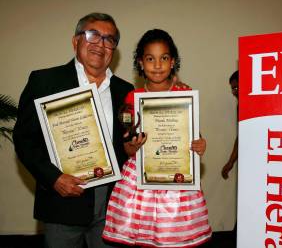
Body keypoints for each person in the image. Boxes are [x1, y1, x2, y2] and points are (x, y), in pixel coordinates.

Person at [13, 13, 135, 248]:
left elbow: (126, 143)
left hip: (111, 206)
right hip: (62, 203)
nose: (101, 44)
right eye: (93, 35)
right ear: (75, 41)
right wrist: (54, 178)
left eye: (109, 39)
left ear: (114, 49)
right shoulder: (44, 81)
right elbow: (24, 140)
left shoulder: (125, 90)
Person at [102, 29, 212, 247]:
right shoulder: (132, 98)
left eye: (164, 58)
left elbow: (193, 133)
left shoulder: (184, 93)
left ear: (172, 62)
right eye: (150, 59)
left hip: (176, 178)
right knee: (142, 238)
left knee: (173, 236)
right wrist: (132, 146)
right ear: (141, 63)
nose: (158, 65)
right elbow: (128, 146)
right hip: (140, 179)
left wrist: (200, 143)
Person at [221, 70, 238, 180]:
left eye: (236, 88)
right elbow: (243, 136)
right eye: (233, 89)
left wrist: (230, 162)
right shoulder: (240, 106)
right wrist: (230, 162)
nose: (234, 92)